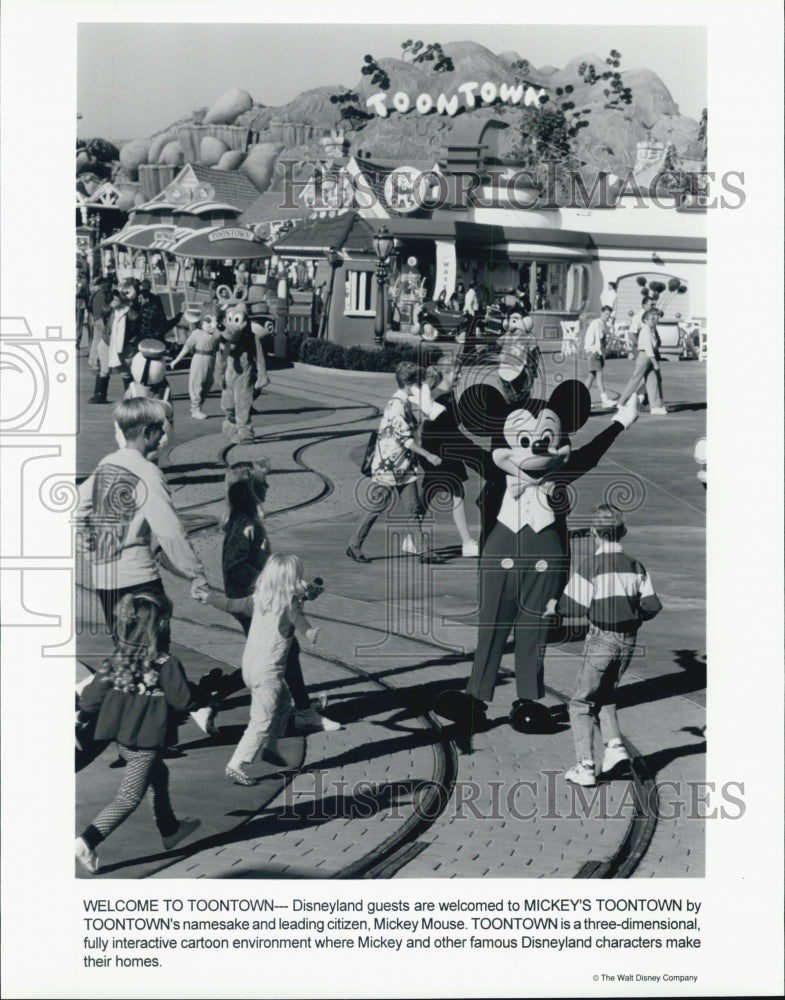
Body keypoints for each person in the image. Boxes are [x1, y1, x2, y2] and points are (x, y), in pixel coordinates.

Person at [74, 591, 201, 873]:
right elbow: (183, 701)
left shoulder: (117, 660)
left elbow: (93, 696)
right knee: (128, 798)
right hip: (146, 743)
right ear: (162, 625)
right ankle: (86, 841)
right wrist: (198, 698)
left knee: (160, 775)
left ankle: (170, 830)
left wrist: (83, 713)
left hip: (121, 739)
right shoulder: (166, 663)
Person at [213, 461, 340, 732]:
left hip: (257, 598)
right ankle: (211, 695)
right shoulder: (244, 524)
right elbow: (236, 566)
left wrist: (296, 584)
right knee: (275, 655)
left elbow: (263, 564)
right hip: (251, 601)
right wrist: (278, 587)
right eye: (263, 483)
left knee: (282, 653)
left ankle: (213, 695)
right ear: (250, 488)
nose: (269, 487)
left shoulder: (248, 521)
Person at [557, 505, 662, 787]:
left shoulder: (591, 566)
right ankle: (614, 747)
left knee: (581, 702)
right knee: (606, 693)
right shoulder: (635, 565)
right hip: (628, 640)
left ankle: (585, 766)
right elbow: (652, 605)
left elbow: (571, 607)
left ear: (593, 533)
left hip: (601, 638)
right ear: (623, 532)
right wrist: (632, 617)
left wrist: (553, 605)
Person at [197, 554, 320, 786]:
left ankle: (272, 746)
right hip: (268, 673)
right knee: (261, 720)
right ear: (291, 580)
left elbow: (230, 604)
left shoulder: (259, 599)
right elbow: (298, 618)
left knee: (284, 701)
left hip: (249, 668)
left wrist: (208, 597)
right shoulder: (289, 604)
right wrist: (309, 633)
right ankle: (238, 763)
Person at [347, 362, 444, 564]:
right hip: (389, 467)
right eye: (418, 384)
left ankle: (423, 551)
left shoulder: (405, 403)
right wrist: (428, 455)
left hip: (404, 467)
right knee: (377, 505)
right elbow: (405, 439)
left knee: (412, 510)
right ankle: (354, 545)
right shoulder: (397, 405)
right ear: (410, 384)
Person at [414, 366, 482, 557]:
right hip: (439, 453)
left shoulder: (446, 394)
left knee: (430, 492)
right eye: (457, 372)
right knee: (457, 491)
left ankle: (412, 538)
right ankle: (467, 542)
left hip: (438, 451)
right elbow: (446, 429)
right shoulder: (440, 397)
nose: (460, 375)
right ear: (445, 373)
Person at [169, 303, 223, 420]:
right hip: (199, 359)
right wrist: (176, 361)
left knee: (208, 384)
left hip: (211, 360)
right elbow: (186, 347)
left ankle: (199, 407)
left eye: (215, 321)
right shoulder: (196, 334)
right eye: (208, 321)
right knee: (197, 383)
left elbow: (221, 350)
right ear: (201, 321)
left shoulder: (217, 336)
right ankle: (195, 408)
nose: (212, 325)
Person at [615, 309, 667, 414]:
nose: (655, 320)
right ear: (645, 320)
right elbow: (648, 348)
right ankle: (621, 403)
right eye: (652, 318)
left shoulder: (651, 330)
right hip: (645, 357)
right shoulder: (645, 330)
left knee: (652, 381)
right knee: (636, 379)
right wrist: (655, 362)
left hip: (648, 357)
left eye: (656, 318)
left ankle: (655, 407)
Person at [583, 305, 614, 408]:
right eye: (606, 314)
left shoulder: (603, 324)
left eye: (609, 314)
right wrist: (600, 353)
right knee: (599, 374)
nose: (608, 316)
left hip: (595, 351)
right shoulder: (596, 323)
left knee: (591, 376)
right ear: (601, 312)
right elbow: (597, 341)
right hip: (594, 351)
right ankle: (604, 400)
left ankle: (581, 400)